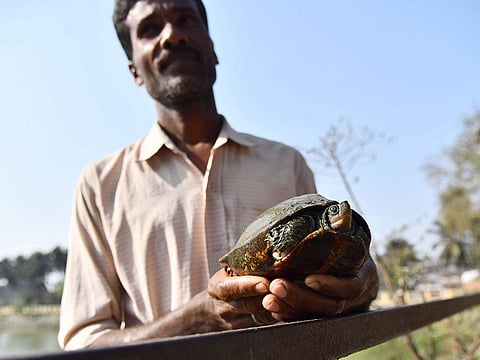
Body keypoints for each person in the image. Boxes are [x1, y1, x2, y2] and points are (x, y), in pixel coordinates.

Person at [58, 0, 379, 350]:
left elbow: (345, 281)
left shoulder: (286, 164)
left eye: (186, 19)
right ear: (134, 69)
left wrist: (361, 286)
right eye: (150, 28)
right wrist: (199, 319)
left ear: (213, 49)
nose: (172, 35)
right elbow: (84, 344)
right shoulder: (101, 185)